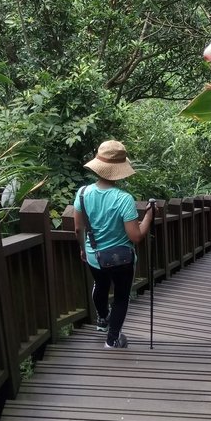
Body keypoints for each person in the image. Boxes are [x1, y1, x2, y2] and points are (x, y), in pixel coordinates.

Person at [74, 140, 153, 349]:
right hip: (121, 259)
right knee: (120, 297)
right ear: (119, 169)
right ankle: (113, 339)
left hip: (94, 256)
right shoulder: (124, 199)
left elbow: (77, 228)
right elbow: (136, 236)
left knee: (100, 284)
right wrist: (148, 216)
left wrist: (83, 248)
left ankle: (102, 319)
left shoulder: (82, 194)